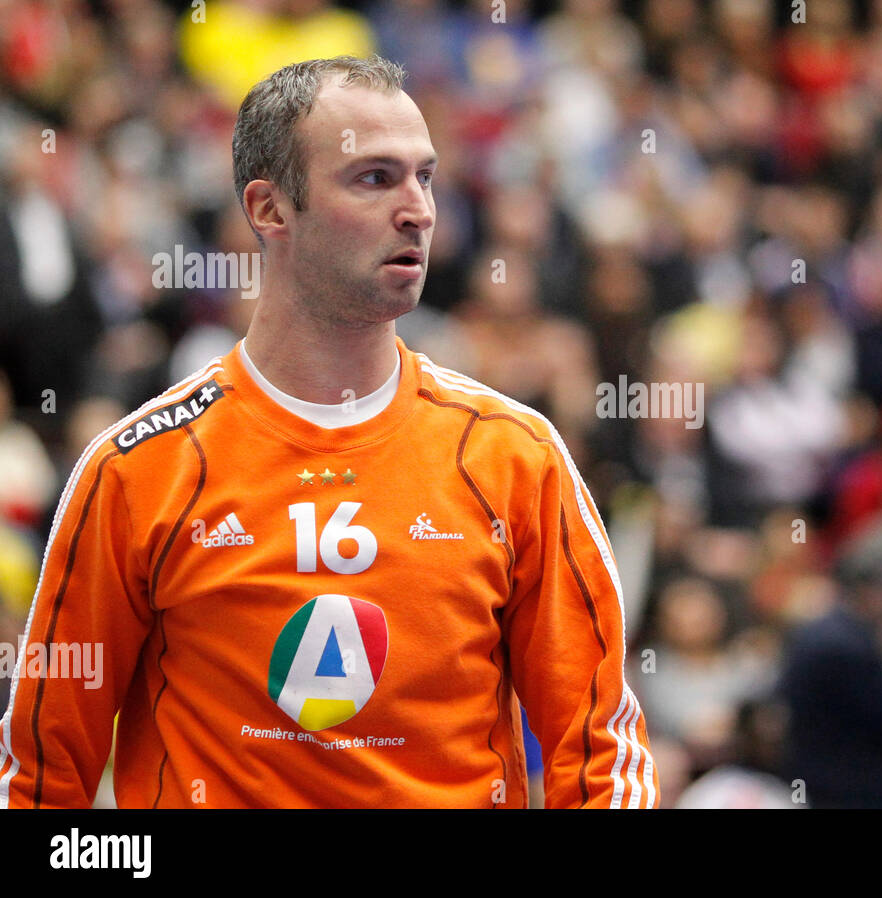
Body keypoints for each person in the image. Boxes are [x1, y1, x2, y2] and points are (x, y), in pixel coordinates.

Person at [0, 55, 657, 809]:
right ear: (271, 209)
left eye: (426, 177)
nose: (419, 210)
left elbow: (602, 749)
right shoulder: (138, 468)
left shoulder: (515, 458)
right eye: (374, 178)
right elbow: (40, 780)